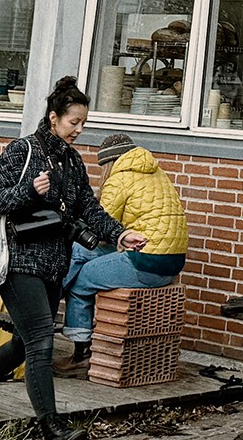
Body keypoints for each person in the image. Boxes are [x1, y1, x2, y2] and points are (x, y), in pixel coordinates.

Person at [0, 78, 148, 440]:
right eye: (74, 122)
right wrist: (30, 190)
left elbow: (88, 210)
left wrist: (119, 234)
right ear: (54, 117)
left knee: (25, 341)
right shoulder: (22, 150)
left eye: (83, 123)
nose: (79, 129)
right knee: (42, 341)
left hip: (54, 264)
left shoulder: (72, 162)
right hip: (20, 262)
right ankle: (52, 430)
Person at [62, 133, 190, 365]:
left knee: (80, 281)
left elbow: (101, 227)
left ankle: (80, 351)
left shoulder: (119, 179)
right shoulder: (158, 174)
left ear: (108, 163)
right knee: (80, 252)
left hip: (145, 262)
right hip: (172, 261)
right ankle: (54, 291)